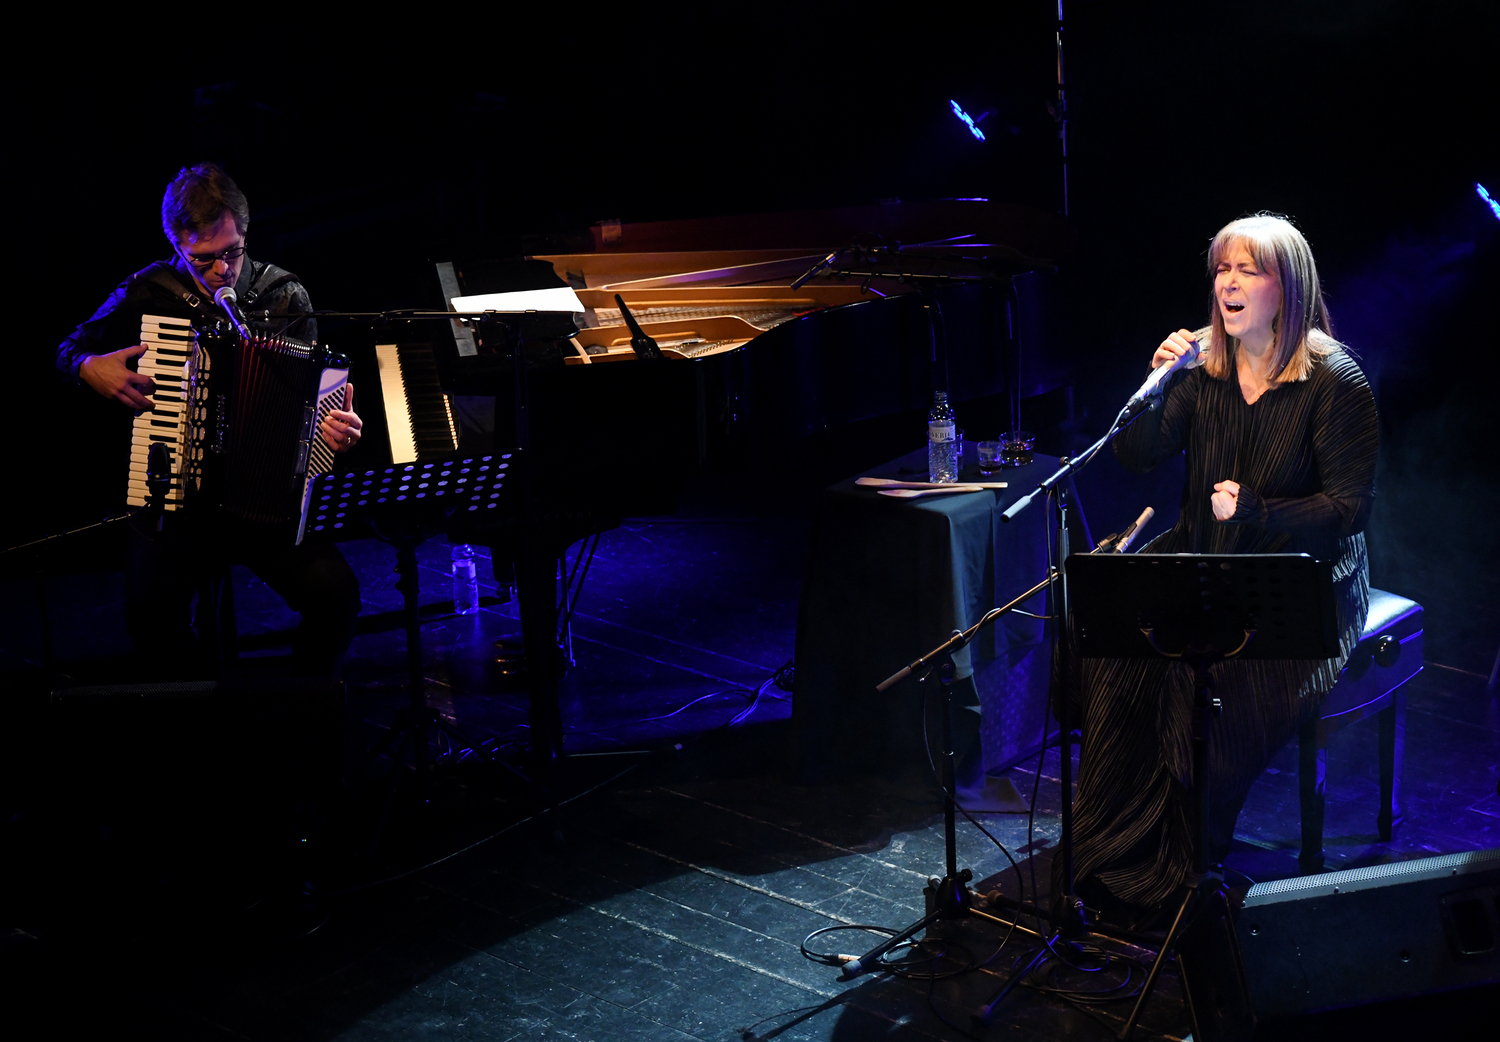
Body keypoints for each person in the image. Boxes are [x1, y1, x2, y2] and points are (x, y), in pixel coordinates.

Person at [1062, 214, 1378, 913]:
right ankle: (1111, 853)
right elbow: (1137, 454)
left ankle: (1181, 865)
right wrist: (1156, 381)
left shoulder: (1335, 379)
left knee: (1207, 689)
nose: (1228, 283)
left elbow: (1348, 510)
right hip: (1205, 558)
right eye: (1222, 269)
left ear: (1287, 288)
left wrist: (1259, 509)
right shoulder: (1205, 364)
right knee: (1118, 659)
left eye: (1248, 270)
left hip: (1300, 580)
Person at [56, 163, 364, 677]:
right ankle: (203, 716)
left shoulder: (284, 295)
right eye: (203, 257)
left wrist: (336, 431)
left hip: (264, 501)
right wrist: (89, 367)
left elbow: (316, 410)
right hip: (175, 502)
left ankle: (297, 708)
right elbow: (68, 349)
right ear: (176, 245)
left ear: (245, 232)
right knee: (150, 617)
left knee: (338, 597)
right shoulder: (148, 292)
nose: (222, 269)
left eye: (232, 251)